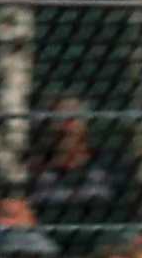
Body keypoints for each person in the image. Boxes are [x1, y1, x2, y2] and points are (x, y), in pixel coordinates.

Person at [23, 101, 124, 245]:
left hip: (104, 246)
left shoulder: (109, 165)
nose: (66, 127)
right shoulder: (32, 171)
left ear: (84, 124)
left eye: (72, 118)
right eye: (57, 119)